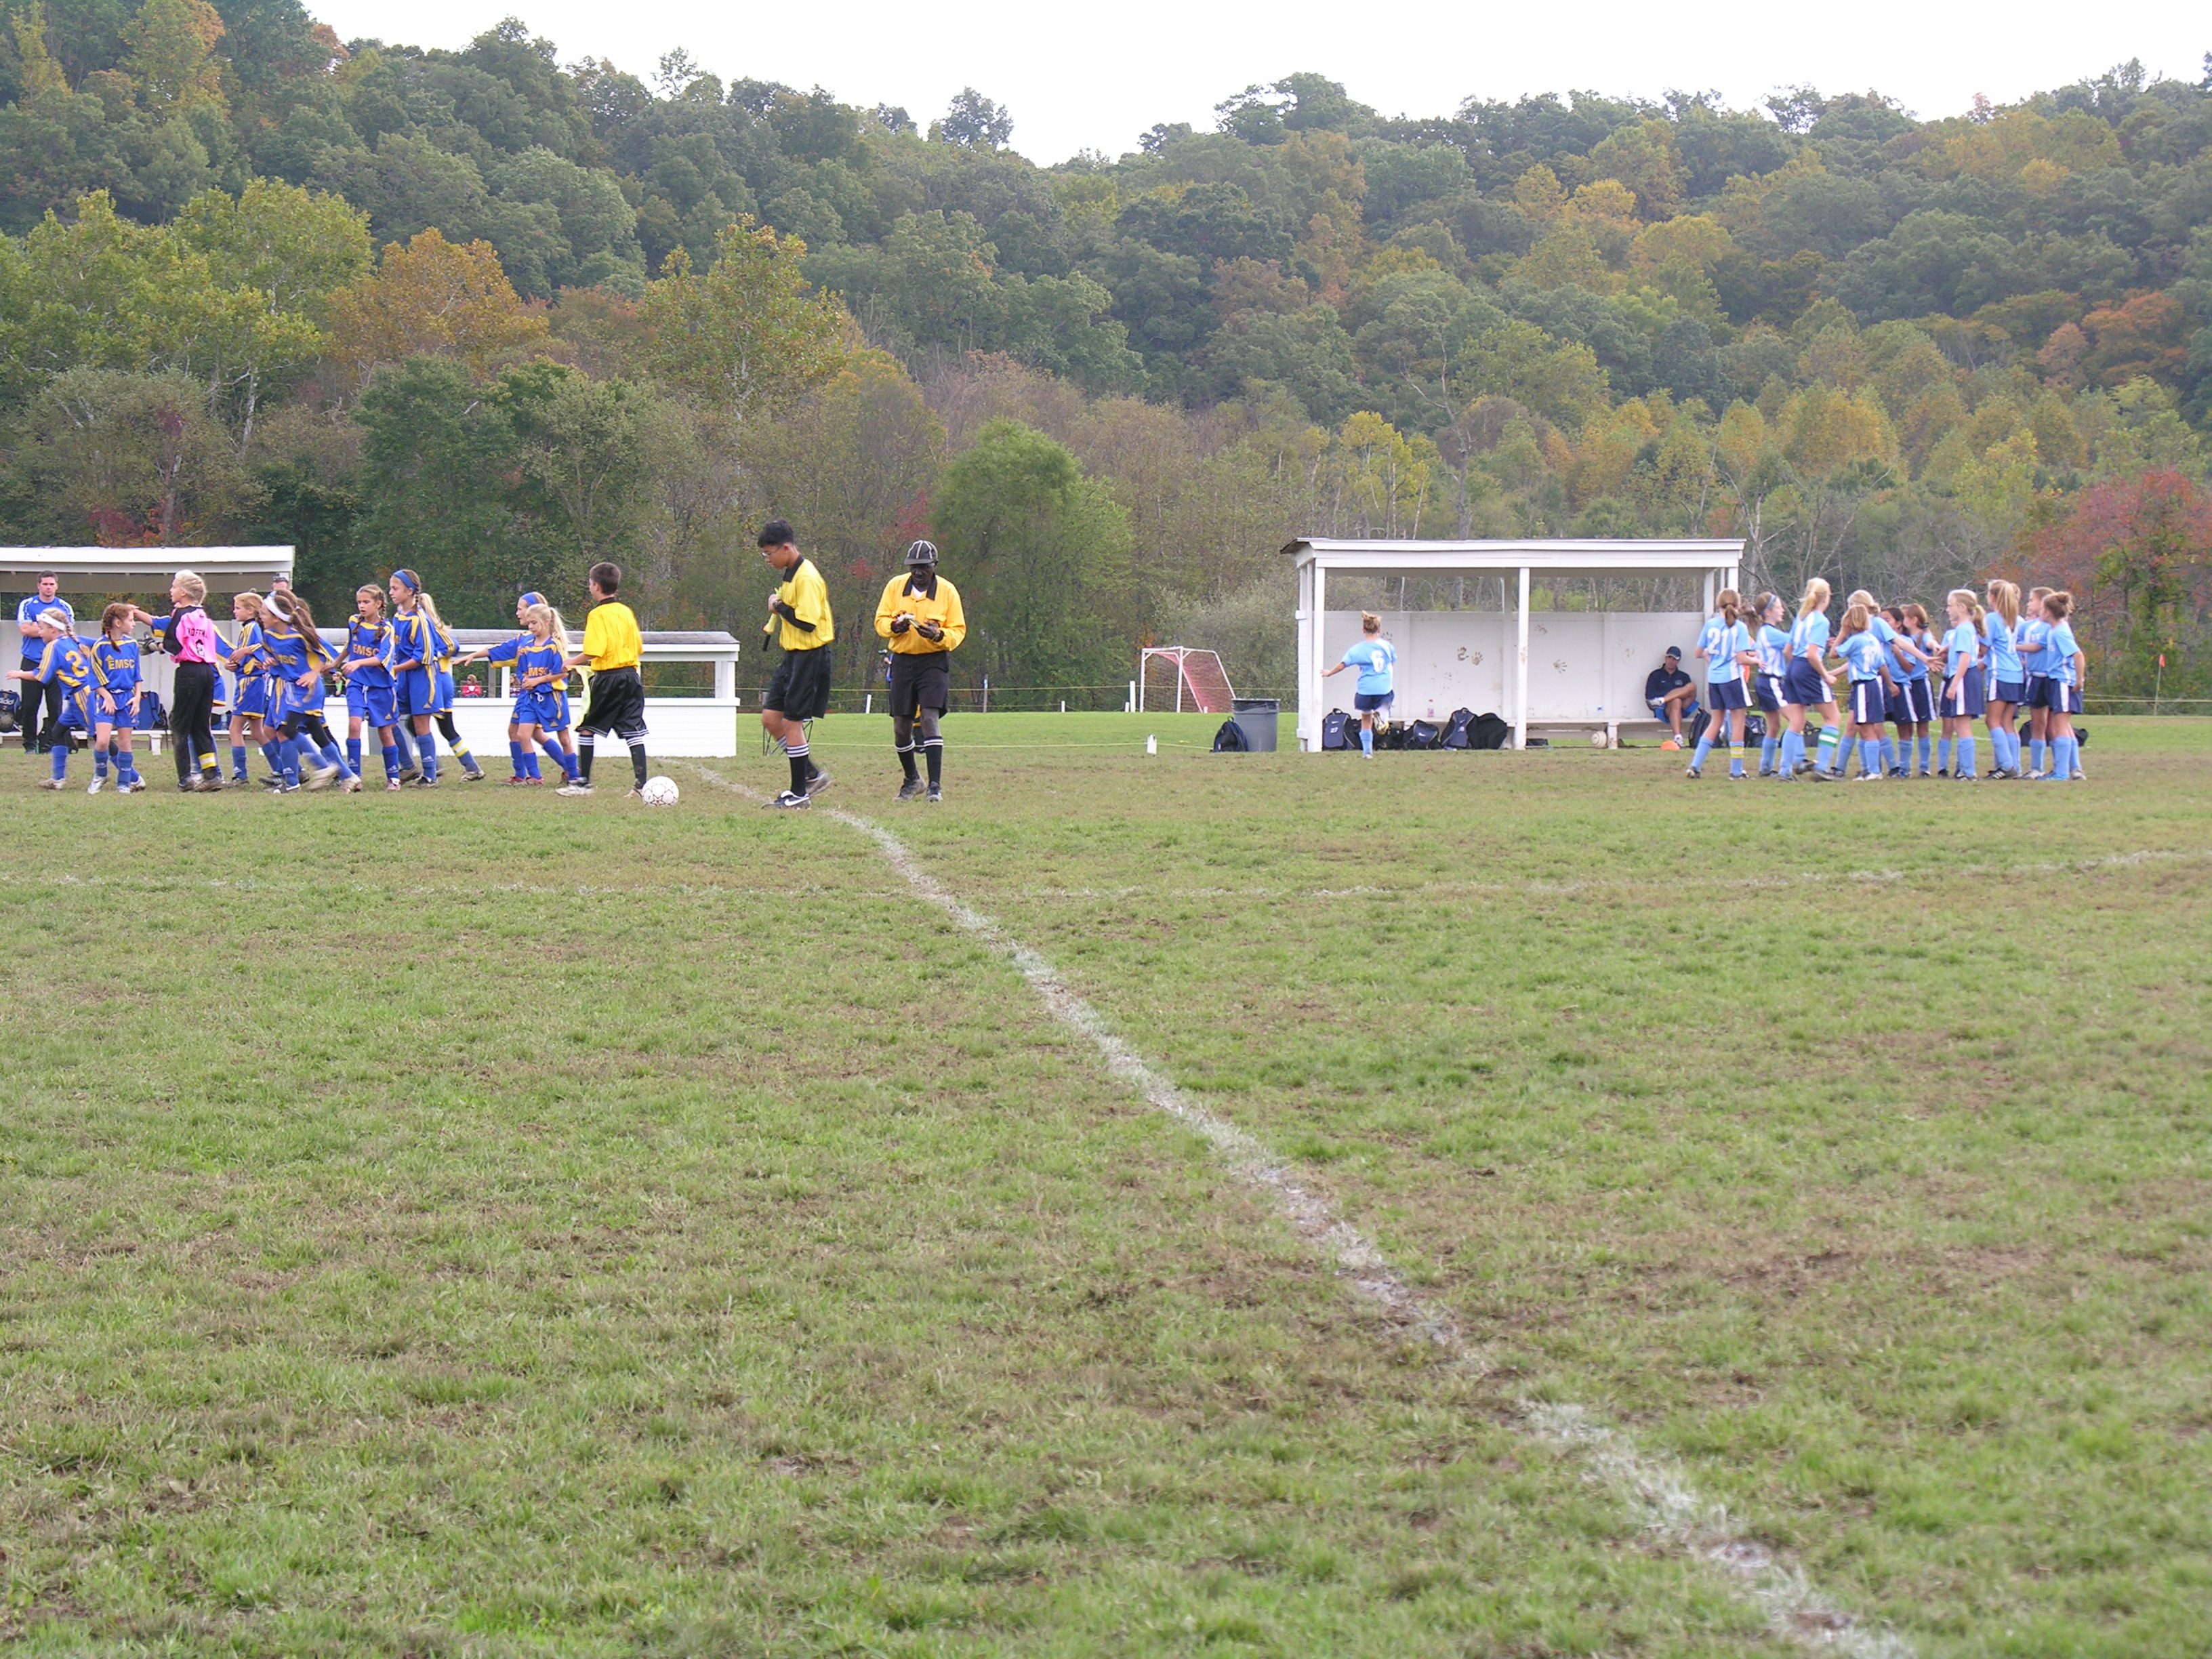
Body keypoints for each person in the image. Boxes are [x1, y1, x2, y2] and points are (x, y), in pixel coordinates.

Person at [874, 539, 965, 802]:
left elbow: (958, 631)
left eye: (924, 567)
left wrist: (938, 635)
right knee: (901, 725)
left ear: (934, 565)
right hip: (903, 661)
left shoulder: (947, 591)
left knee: (929, 718)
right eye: (914, 567)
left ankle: (935, 786)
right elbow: (880, 621)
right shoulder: (895, 587)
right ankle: (913, 779)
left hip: (933, 661)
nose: (918, 572)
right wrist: (894, 627)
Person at [756, 522, 836, 808]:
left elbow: (807, 622)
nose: (767, 560)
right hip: (792, 656)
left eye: (769, 554)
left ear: (787, 548)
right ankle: (812, 774)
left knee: (792, 722)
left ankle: (799, 793)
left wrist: (778, 607)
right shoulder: (790, 575)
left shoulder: (807, 577)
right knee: (771, 719)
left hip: (810, 657)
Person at [560, 561, 652, 798]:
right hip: (631, 676)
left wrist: (571, 662)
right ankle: (641, 785)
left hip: (608, 678)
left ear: (596, 586)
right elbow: (638, 647)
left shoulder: (597, 615)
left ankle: (583, 784)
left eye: (590, 584)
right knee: (633, 729)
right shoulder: (626, 611)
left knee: (587, 729)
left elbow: (595, 650)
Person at [127, 572, 224, 791]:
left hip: (189, 672)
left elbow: (173, 645)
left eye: (174, 587)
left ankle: (185, 778)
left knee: (179, 724)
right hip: (207, 671)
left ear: (184, 592)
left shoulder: (181, 614)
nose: (171, 591)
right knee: (201, 726)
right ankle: (211, 774)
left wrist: (154, 646)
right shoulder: (202, 616)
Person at [6, 610, 96, 789]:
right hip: (81, 695)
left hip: (82, 696)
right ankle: (58, 779)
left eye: (42, 628)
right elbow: (102, 645)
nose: (39, 633)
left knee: (100, 738)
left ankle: (132, 777)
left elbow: (41, 675)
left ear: (53, 629)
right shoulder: (77, 640)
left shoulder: (53, 646)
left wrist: (20, 674)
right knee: (58, 732)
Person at [335, 583, 405, 790]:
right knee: (354, 724)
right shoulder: (354, 622)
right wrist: (335, 662)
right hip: (356, 683)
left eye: (366, 602)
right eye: (359, 602)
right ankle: (354, 777)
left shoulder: (387, 629)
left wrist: (358, 663)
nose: (362, 606)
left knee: (385, 731)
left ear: (379, 604)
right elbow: (349, 646)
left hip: (380, 686)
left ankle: (393, 778)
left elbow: (383, 658)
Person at [1820, 602, 1892, 783]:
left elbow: (1833, 654)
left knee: (1866, 730)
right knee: (1867, 728)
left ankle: (1874, 770)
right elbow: (1881, 664)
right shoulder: (1872, 640)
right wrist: (1890, 684)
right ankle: (1872, 769)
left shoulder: (1855, 640)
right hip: (1874, 685)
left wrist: (1842, 633)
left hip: (1863, 686)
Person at [1687, 590, 1755, 780]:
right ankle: (1736, 771)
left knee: (1715, 722)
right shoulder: (1739, 627)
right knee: (1738, 724)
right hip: (1732, 679)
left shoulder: (1711, 625)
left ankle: (1695, 766)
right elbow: (1742, 658)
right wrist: (1757, 661)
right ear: (1737, 605)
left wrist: (1715, 660)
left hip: (1714, 679)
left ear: (1719, 605)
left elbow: (1698, 652)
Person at [512, 603, 581, 786]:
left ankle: (574, 775)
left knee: (564, 739)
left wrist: (537, 680)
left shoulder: (554, 646)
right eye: (529, 623)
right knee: (523, 735)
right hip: (531, 698)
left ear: (547, 622)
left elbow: (561, 673)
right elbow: (522, 671)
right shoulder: (526, 646)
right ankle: (535, 777)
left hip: (553, 697)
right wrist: (525, 680)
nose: (531, 627)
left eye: (534, 623)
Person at [1780, 578, 1839, 779]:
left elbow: (1788, 651)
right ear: (1826, 598)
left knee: (1796, 721)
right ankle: (1822, 767)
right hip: (1808, 668)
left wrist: (1798, 669)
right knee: (1833, 718)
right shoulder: (1821, 621)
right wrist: (1826, 675)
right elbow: (1813, 655)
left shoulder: (1801, 618)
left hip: (1794, 666)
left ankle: (1785, 771)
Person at [1319, 613, 1397, 758]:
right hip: (1383, 688)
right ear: (1379, 630)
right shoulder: (1387, 647)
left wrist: (1329, 673)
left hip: (1365, 689)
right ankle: (1383, 716)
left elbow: (1343, 665)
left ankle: (1367, 753)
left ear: (1363, 630)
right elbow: (1391, 664)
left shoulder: (1357, 649)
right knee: (1388, 700)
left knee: (1366, 720)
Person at [14, 573, 73, 759]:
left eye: (51, 584)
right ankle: (30, 745)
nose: (48, 587)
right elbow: (24, 629)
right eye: (45, 584)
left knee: (55, 707)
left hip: (56, 663)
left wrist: (37, 627)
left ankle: (54, 744)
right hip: (32, 661)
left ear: (57, 586)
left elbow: (66, 633)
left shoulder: (64, 607)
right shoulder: (28, 605)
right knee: (30, 706)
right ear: (39, 586)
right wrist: (49, 629)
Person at [89, 605, 146, 794]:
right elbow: (95, 678)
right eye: (131, 620)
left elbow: (137, 675)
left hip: (127, 699)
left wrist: (137, 698)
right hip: (107, 699)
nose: (134, 624)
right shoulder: (100, 646)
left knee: (125, 742)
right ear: (118, 623)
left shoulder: (132, 645)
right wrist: (107, 697)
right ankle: (100, 774)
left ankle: (123, 783)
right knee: (102, 741)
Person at [1937, 589, 1984, 780]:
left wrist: (1954, 684)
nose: (1948, 610)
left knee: (1963, 726)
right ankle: (1965, 769)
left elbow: (1965, 658)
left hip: (1964, 678)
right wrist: (1946, 649)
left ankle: (1969, 772)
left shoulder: (1964, 629)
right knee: (1959, 723)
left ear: (1962, 608)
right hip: (1968, 677)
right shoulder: (1965, 629)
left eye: (1950, 605)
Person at [2038, 591, 2085, 782]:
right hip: (2056, 681)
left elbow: (2078, 655)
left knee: (2060, 726)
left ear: (2048, 612)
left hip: (2064, 682)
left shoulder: (2060, 632)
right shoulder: (2054, 630)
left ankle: (2062, 772)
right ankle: (2070, 769)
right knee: (2062, 726)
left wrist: (2079, 680)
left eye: (2042, 608)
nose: (2040, 612)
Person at [1886, 604, 1936, 777]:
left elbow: (1931, 643)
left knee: (1922, 727)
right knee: (1904, 726)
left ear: (1913, 620)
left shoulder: (1922, 636)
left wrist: (1936, 647)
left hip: (1919, 684)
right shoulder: (1897, 639)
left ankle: (1924, 767)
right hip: (1905, 685)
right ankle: (1904, 768)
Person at [1982, 580, 2026, 781]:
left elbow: (1983, 648)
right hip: (2016, 674)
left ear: (1992, 597)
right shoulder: (2016, 620)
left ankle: (2007, 766)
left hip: (2000, 674)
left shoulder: (1992, 619)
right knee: (2007, 721)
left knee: (1992, 720)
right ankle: (2014, 765)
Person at [1750, 593, 1790, 777]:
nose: (1782, 610)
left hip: (1764, 681)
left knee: (1774, 726)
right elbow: (1794, 641)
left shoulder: (1764, 632)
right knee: (1796, 721)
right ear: (1768, 612)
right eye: (1779, 607)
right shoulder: (1771, 633)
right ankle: (1796, 762)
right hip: (1771, 681)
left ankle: (1765, 768)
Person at [1643, 646, 1699, 747]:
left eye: (1674, 659)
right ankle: (1678, 737)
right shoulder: (1655, 675)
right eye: (1669, 657)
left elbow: (1690, 694)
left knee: (1692, 686)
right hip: (1664, 708)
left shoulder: (1684, 676)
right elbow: (1650, 697)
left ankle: (1662, 699)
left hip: (1683, 707)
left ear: (1678, 661)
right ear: (1665, 658)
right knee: (1676, 701)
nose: (1671, 661)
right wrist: (1673, 696)